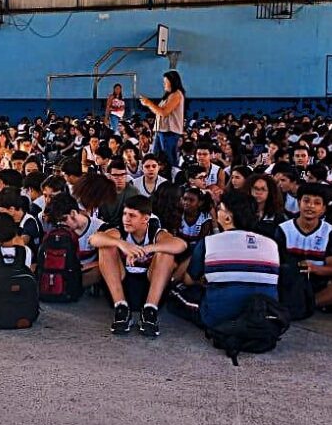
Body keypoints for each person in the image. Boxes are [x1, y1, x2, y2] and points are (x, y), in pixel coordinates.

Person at [179, 190, 281, 329]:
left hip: (218, 319)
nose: (216, 212)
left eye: (219, 209)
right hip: (264, 316)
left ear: (228, 218)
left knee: (177, 295)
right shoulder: (271, 244)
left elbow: (189, 280)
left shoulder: (209, 242)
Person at [88, 195, 187, 336]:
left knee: (166, 251)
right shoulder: (120, 231)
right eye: (124, 214)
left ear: (145, 219)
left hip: (150, 288)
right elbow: (94, 239)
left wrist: (146, 249)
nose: (126, 219)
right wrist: (122, 244)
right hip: (123, 287)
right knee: (106, 246)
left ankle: (150, 310)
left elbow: (181, 245)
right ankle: (121, 309)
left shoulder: (155, 232)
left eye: (132, 216)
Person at [139, 70, 185, 167]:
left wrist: (148, 103)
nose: (164, 84)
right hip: (161, 131)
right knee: (157, 159)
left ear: (172, 82)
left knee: (168, 160)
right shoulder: (168, 96)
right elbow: (158, 111)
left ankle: (172, 179)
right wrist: (149, 105)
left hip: (169, 132)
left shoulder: (176, 94)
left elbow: (164, 112)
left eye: (165, 82)